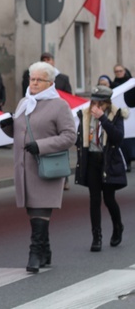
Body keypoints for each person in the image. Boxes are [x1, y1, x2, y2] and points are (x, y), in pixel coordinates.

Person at [1, 61, 76, 274]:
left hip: (46, 166)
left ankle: (35, 252)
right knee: (32, 209)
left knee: (40, 209)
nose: (33, 83)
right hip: (25, 167)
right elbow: (23, 133)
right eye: (31, 79)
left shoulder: (59, 105)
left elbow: (70, 136)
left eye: (38, 80)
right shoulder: (25, 102)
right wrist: (10, 129)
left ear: (50, 83)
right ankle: (46, 251)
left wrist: (41, 146)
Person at [74, 85, 128, 252]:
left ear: (106, 104)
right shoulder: (84, 115)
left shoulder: (115, 115)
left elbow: (118, 138)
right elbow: (79, 138)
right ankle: (96, 237)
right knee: (94, 199)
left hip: (108, 161)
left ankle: (118, 226)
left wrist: (103, 119)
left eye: (99, 104)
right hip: (91, 161)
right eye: (93, 103)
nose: (95, 107)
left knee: (109, 199)